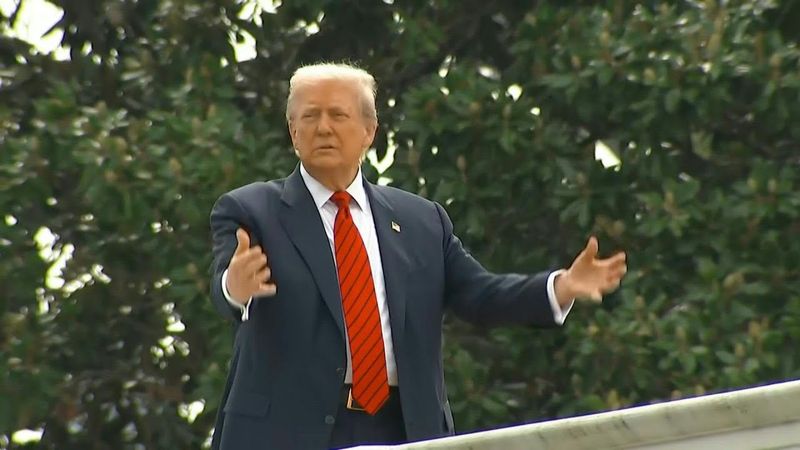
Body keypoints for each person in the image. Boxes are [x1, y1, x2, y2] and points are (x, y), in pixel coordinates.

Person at [208, 62, 627, 450]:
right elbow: (225, 282)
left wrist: (560, 287)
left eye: (337, 115)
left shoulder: (421, 220)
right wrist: (235, 287)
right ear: (293, 131)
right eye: (309, 116)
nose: (323, 128)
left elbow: (480, 295)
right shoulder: (251, 210)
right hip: (289, 431)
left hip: (405, 428)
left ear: (369, 130)